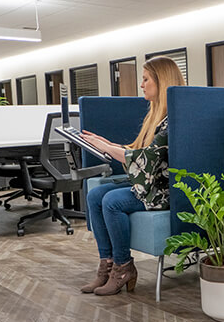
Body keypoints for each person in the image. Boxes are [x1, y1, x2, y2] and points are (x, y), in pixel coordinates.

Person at [79, 56, 185, 296]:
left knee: (112, 201)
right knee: (95, 196)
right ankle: (106, 266)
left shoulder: (173, 122)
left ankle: (123, 267)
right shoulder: (155, 116)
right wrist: (106, 143)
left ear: (162, 81)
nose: (142, 85)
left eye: (146, 79)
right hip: (150, 183)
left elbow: (145, 160)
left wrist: (106, 148)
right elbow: (137, 150)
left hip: (165, 190)